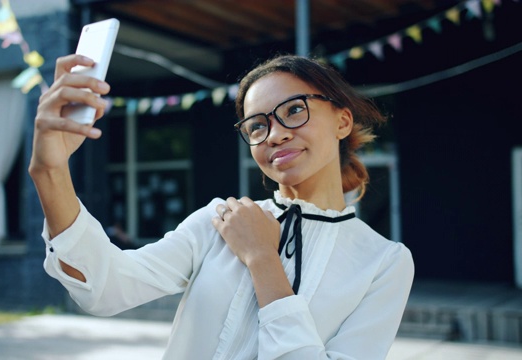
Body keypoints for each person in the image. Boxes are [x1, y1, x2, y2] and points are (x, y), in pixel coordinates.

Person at [29, 53, 414, 359]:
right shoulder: (220, 220)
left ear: (343, 121)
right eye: (257, 125)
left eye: (295, 110)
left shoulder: (384, 262)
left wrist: (263, 259)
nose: (276, 134)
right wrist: (51, 170)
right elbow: (106, 288)